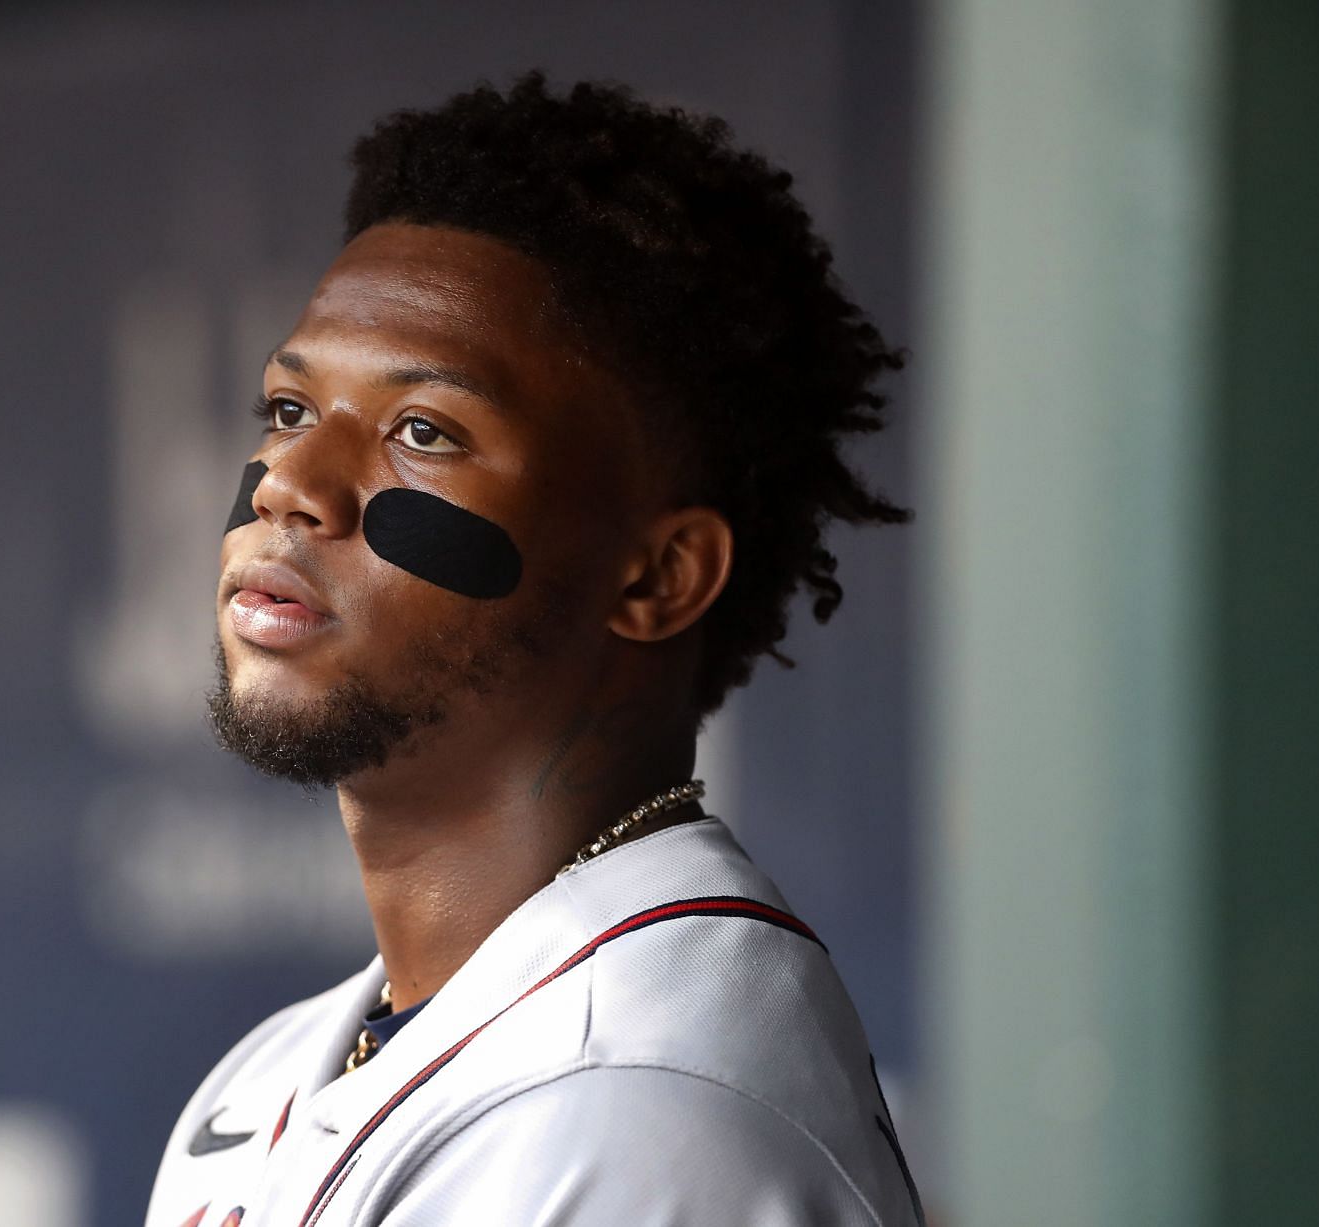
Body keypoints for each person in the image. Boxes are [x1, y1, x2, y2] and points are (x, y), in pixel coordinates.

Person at [146, 73, 922, 1227]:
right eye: (290, 411)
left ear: (655, 580)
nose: (292, 487)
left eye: (424, 432)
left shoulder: (633, 1109)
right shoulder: (283, 1071)